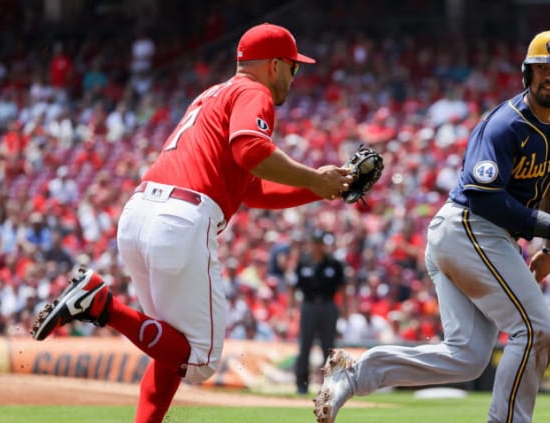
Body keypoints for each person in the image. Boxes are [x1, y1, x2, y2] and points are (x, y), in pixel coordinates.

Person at [30, 22, 352, 423]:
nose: (294, 75)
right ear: (273, 65)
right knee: (201, 361)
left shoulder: (212, 94)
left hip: (140, 213)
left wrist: (320, 188)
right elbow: (252, 149)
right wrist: (312, 177)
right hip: (180, 220)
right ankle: (101, 304)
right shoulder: (254, 91)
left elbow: (250, 190)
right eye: (293, 67)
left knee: (171, 347)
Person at [314, 30, 550, 423]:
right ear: (527, 73)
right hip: (470, 226)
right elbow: (485, 197)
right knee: (535, 331)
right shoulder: (504, 124)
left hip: (482, 237)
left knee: (467, 358)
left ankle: (356, 373)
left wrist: (549, 248)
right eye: (542, 68)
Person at [289, 229, 346, 394]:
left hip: (328, 305)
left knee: (328, 347)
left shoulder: (334, 263)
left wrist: (343, 307)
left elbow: (342, 287)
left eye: (320, 243)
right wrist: (291, 307)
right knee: (305, 345)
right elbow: (293, 286)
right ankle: (301, 385)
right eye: (315, 243)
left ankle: (331, 384)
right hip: (309, 305)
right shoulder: (304, 262)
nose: (317, 246)